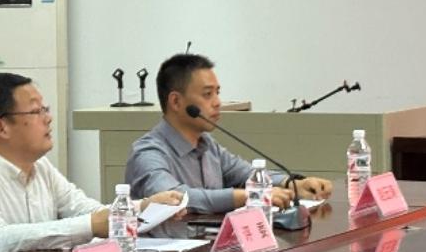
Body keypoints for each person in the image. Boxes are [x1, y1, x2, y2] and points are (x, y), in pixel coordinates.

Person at [0, 73, 183, 252]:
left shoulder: (41, 166)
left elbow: (86, 211)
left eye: (45, 109)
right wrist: (91, 225)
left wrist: (145, 207)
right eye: (36, 111)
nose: (48, 118)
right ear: (2, 127)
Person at [125, 53, 333, 214]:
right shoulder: (148, 153)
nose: (217, 102)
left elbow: (247, 174)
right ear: (176, 101)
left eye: (217, 93)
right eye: (207, 94)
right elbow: (175, 198)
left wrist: (293, 184)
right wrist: (246, 196)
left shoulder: (207, 145)